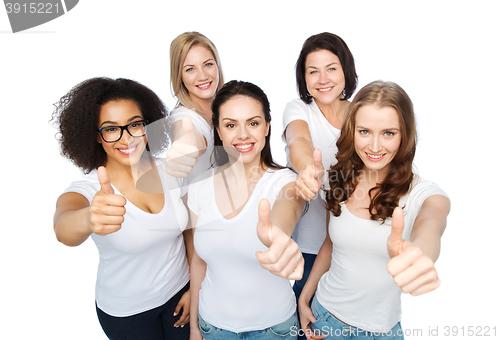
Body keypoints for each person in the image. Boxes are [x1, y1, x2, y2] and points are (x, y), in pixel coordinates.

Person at [298, 81, 451, 340]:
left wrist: (420, 253)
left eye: (389, 133)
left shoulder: (421, 193)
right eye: (365, 131)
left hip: (383, 332)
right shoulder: (338, 179)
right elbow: (330, 244)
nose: (375, 146)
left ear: (405, 135)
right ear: (352, 131)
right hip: (325, 320)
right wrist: (305, 296)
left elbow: (433, 220)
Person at [52, 77, 192, 340]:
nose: (126, 137)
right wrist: (87, 219)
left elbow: (190, 232)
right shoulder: (89, 189)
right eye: (111, 129)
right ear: (95, 135)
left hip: (180, 293)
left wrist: (195, 285)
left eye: (135, 125)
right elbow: (63, 226)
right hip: (128, 314)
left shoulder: (171, 170)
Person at [188, 80, 305, 340]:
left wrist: (276, 234)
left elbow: (289, 207)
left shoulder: (284, 182)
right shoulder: (199, 187)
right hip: (213, 327)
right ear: (218, 130)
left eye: (253, 123)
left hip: (274, 330)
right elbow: (198, 261)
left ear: (267, 127)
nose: (243, 135)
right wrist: (195, 327)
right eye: (231, 125)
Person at [281, 32, 358, 306]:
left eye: (331, 69)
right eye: (313, 71)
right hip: (312, 247)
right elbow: (298, 141)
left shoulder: (362, 112)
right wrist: (307, 170)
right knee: (307, 320)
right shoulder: (299, 108)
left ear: (345, 71)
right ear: (304, 77)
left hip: (356, 245)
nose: (323, 79)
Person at [166, 31, 225, 182]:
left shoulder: (227, 109)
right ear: (179, 76)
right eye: (190, 69)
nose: (203, 76)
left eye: (208, 64)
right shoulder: (182, 116)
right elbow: (186, 133)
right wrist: (187, 144)